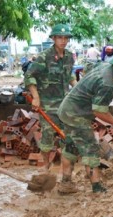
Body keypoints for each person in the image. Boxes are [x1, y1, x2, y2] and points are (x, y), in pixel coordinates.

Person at [57, 49, 113, 194]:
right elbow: (99, 111)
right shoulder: (107, 82)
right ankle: (97, 188)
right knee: (91, 149)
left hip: (67, 110)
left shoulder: (106, 67)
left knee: (71, 147)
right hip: (76, 115)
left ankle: (66, 183)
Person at [24, 24, 77, 173]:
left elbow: (69, 75)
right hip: (47, 104)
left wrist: (77, 87)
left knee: (67, 135)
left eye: (66, 38)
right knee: (47, 135)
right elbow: (29, 75)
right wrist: (35, 97)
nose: (63, 40)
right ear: (53, 38)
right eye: (60, 37)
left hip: (65, 104)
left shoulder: (68, 56)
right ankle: (46, 165)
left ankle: (66, 169)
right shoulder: (44, 57)